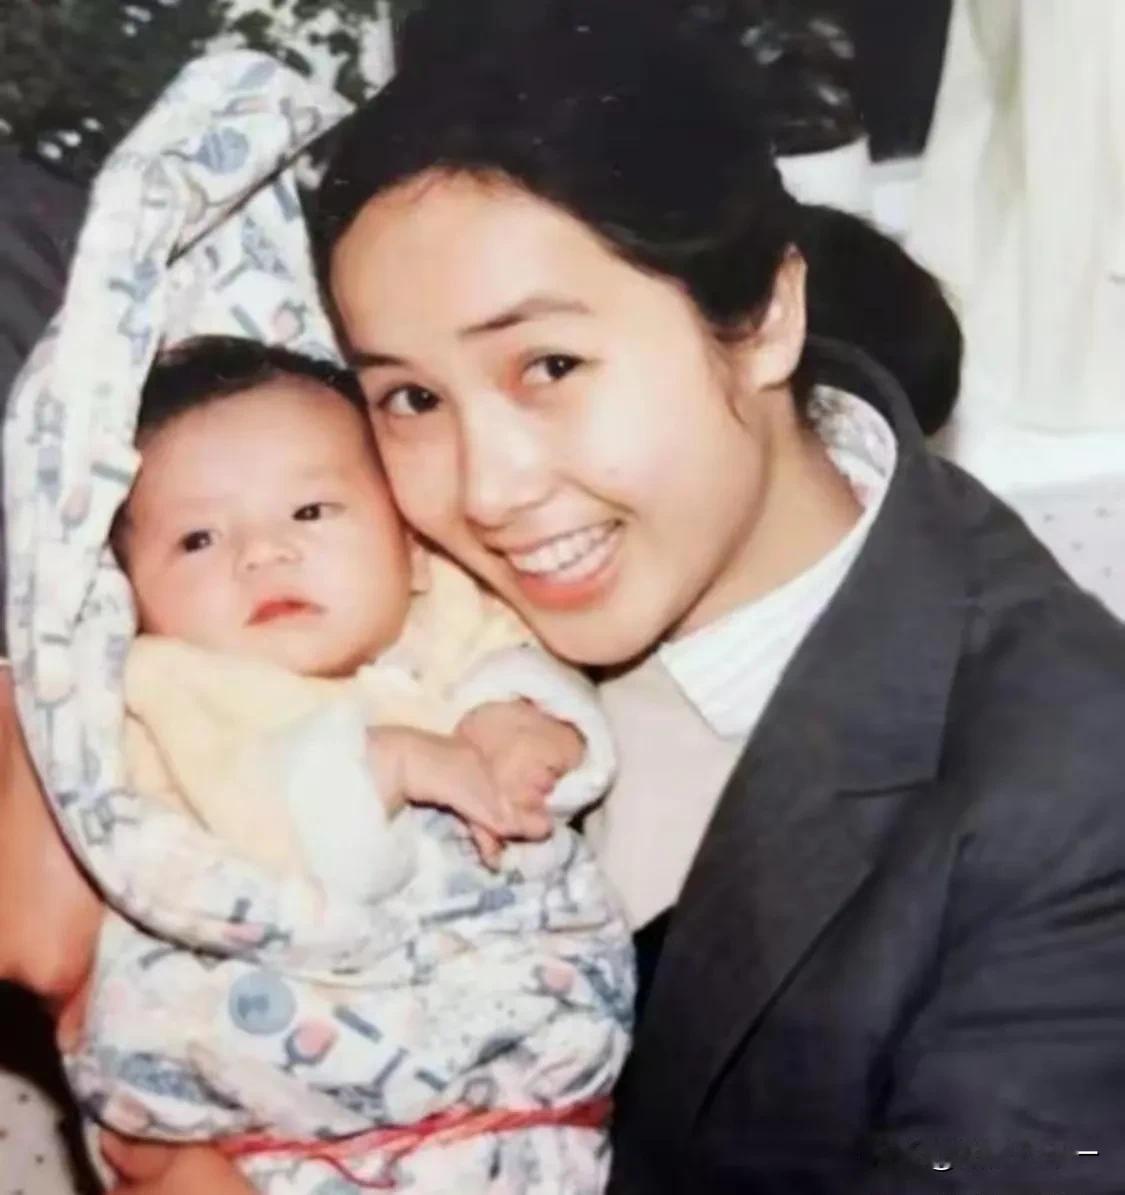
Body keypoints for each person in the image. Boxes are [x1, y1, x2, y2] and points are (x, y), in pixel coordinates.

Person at [301, 3, 1125, 1191]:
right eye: (413, 398)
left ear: (766, 321)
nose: (486, 491)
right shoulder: (401, 589)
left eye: (550, 366)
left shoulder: (1077, 797)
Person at [66, 332, 630, 1192]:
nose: (262, 553)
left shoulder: (449, 613)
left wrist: (524, 727)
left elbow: (538, 690)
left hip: (519, 1110)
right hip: (289, 1124)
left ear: (411, 548)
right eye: (197, 539)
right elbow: (240, 843)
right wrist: (387, 765)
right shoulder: (169, 688)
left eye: (309, 512)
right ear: (131, 597)